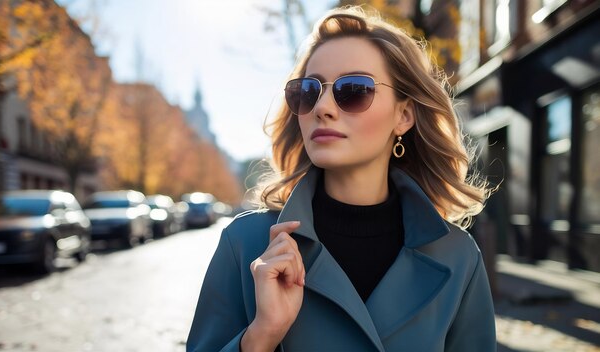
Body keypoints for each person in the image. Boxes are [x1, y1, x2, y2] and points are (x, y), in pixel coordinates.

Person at [188, 6, 496, 352]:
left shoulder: (457, 256)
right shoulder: (246, 244)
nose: (322, 107)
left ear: (404, 115)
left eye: (353, 89)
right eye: (308, 90)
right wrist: (261, 335)